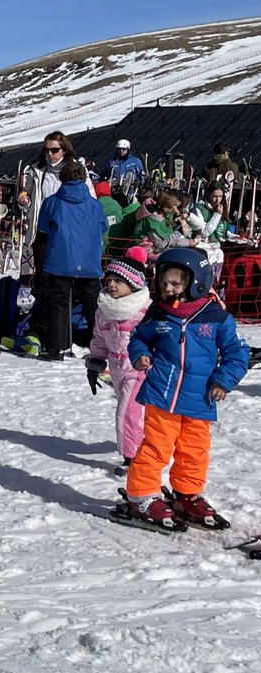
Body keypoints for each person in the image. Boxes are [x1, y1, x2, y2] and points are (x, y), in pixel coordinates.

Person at [121, 248, 249, 527]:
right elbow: (138, 339)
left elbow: (237, 352)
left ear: (196, 283)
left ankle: (186, 494)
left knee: (194, 449)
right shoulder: (158, 314)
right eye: (164, 282)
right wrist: (140, 354)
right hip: (162, 395)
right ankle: (140, 495)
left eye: (176, 283)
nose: (168, 288)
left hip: (200, 398)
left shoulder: (215, 315)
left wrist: (224, 379)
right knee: (156, 446)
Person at [18, 131, 92, 344]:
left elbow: (89, 198)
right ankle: (42, 329)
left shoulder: (77, 170)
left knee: (68, 284)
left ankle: (68, 329)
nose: (50, 154)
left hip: (69, 234)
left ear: (64, 149)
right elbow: (29, 200)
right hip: (43, 232)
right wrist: (24, 202)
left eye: (54, 150)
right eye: (47, 150)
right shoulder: (36, 171)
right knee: (43, 282)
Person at [85, 247, 151, 472]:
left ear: (132, 284)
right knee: (135, 413)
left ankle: (132, 458)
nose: (111, 285)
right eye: (109, 279)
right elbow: (99, 338)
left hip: (138, 370)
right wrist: (95, 362)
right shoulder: (104, 309)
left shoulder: (143, 311)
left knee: (126, 413)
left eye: (118, 281)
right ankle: (144, 446)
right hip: (116, 369)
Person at [35, 159, 105, 359]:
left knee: (58, 303)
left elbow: (43, 228)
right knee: (93, 306)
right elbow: (103, 227)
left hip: (60, 260)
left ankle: (55, 348)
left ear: (61, 178)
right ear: (84, 178)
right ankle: (99, 348)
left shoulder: (52, 202)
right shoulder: (94, 204)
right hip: (90, 262)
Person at [133, 191, 192, 257]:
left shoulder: (160, 215)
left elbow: (168, 238)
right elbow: (160, 245)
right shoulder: (153, 220)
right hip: (145, 254)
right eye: (174, 206)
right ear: (167, 204)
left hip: (152, 251)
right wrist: (179, 231)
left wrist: (188, 242)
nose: (176, 211)